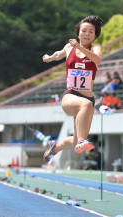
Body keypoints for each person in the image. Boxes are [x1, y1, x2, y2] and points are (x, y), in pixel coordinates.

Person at [42, 16, 103, 162]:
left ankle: (55, 148)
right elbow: (59, 54)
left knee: (76, 140)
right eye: (84, 31)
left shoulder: (95, 48)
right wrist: (50, 57)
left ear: (95, 36)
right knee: (85, 106)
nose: (87, 34)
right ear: (78, 33)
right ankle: (82, 141)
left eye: (91, 31)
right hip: (70, 95)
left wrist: (80, 47)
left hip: (88, 98)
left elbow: (97, 59)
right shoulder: (69, 47)